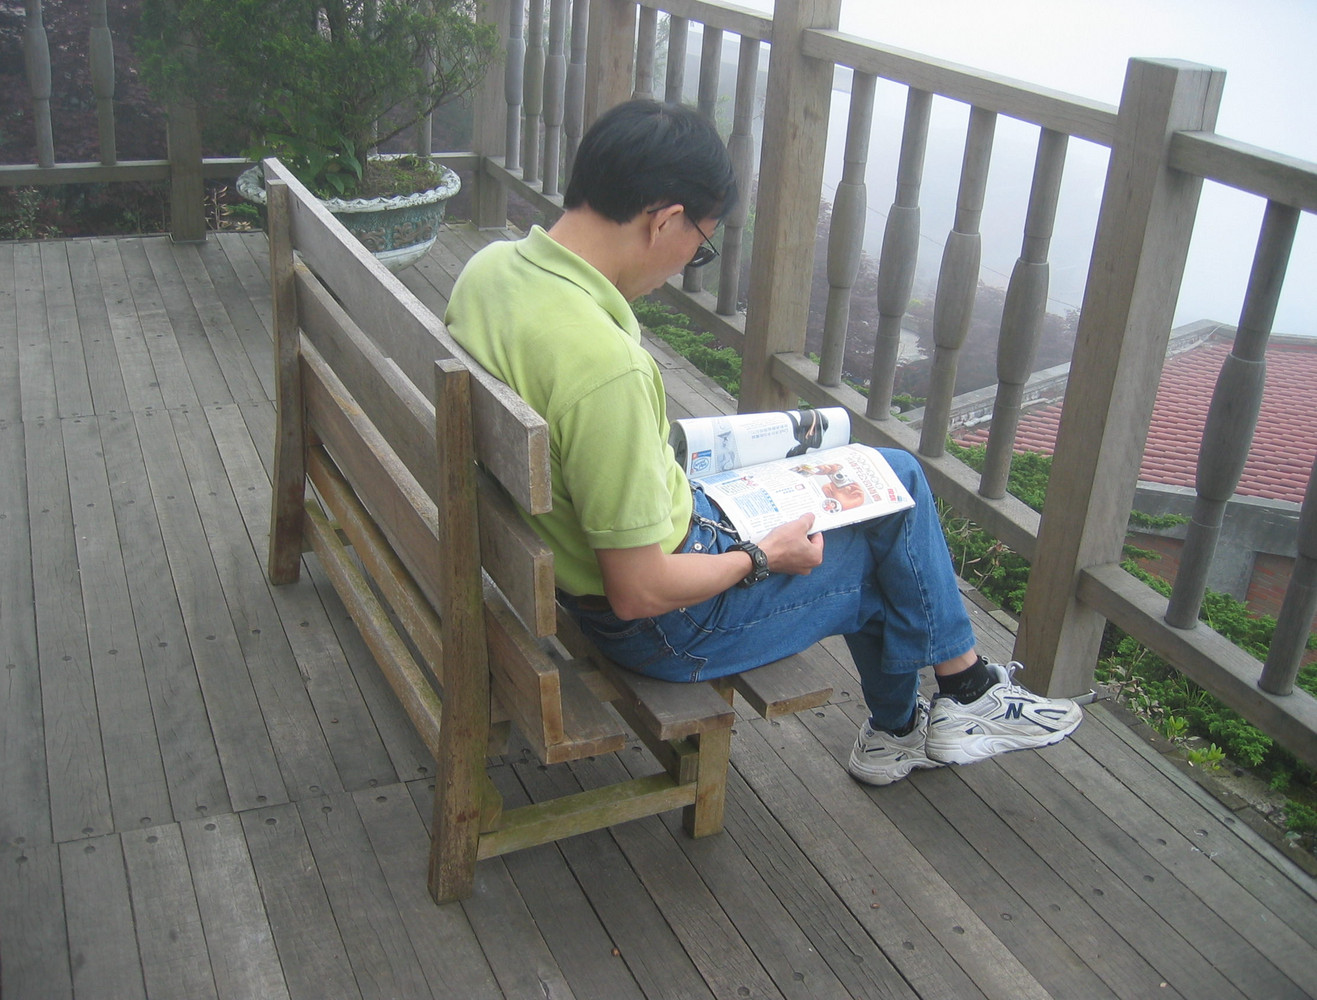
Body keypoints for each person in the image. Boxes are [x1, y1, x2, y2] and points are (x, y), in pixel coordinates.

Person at [445, 99, 1081, 785]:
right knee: (887, 549)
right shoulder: (605, 367)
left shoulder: (492, 270)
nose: (689, 261)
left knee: (889, 474)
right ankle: (939, 708)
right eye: (700, 243)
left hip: (598, 555)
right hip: (665, 626)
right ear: (664, 220)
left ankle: (931, 714)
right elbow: (639, 590)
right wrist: (760, 556)